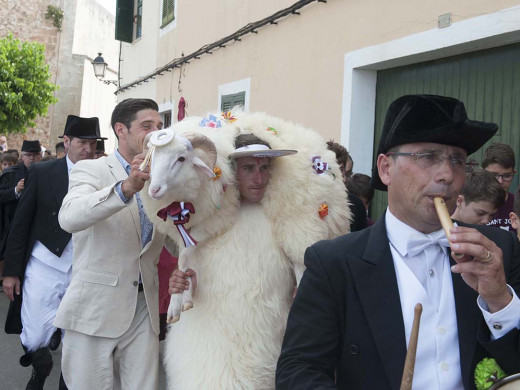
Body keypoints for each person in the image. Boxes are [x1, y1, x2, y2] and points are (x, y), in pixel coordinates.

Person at [276, 95, 520, 389]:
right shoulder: (334, 263)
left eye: (457, 160)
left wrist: (499, 302)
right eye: (428, 157)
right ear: (385, 168)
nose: (446, 175)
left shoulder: (498, 250)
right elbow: (299, 372)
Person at [54, 98, 170, 389]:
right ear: (121, 130)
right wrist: (125, 189)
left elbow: (176, 234)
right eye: (146, 126)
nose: (155, 132)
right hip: (95, 309)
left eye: (159, 126)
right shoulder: (90, 170)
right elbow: (69, 217)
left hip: (145, 307)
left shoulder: (164, 179)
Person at [2, 116, 103, 389]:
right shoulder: (43, 172)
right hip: (44, 264)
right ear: (67, 142)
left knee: (76, 342)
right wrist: (11, 272)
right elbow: (20, 224)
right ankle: (41, 364)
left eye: (93, 144)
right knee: (34, 336)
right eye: (83, 142)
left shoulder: (102, 173)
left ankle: (65, 383)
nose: (88, 149)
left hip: (83, 267)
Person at [326, 141, 367, 231]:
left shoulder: (357, 205)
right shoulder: (306, 203)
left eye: (341, 169)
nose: (344, 179)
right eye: (334, 169)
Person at [482, 143, 517, 233]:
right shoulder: (469, 204)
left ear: (514, 173)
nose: (500, 181)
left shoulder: (517, 204)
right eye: (493, 175)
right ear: (482, 173)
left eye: (507, 175)